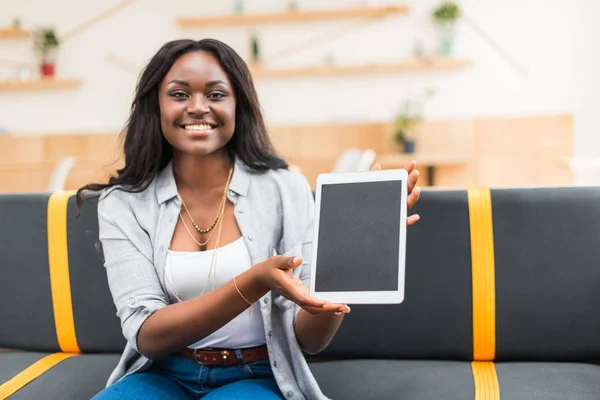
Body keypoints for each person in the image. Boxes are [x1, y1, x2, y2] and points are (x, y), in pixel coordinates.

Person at [78, 38, 421, 399]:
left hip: (253, 375)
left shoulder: (285, 189)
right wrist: (254, 282)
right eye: (179, 94)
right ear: (156, 105)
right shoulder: (124, 203)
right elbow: (148, 335)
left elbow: (310, 340)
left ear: (238, 105)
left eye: (215, 94)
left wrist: (352, 255)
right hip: (162, 373)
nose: (197, 107)